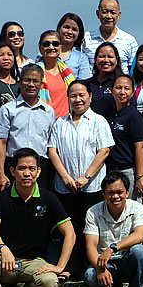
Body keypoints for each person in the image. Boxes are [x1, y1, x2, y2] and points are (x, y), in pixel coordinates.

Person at [0, 148, 76, 287]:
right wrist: (3, 248)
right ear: (12, 171)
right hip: (6, 263)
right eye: (21, 168)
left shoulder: (48, 198)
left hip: (34, 262)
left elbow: (70, 233)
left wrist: (60, 266)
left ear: (38, 172)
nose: (27, 173)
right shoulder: (0, 199)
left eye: (32, 169)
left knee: (50, 283)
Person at [48, 80, 114, 276]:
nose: (77, 99)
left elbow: (104, 151)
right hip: (65, 187)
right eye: (73, 96)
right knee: (69, 228)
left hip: (92, 187)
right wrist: (66, 177)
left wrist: (85, 177)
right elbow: (53, 151)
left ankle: (91, 267)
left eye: (81, 95)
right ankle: (69, 268)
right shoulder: (60, 123)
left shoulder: (98, 121)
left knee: (91, 229)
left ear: (90, 97)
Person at [83, 171, 143, 287]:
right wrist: (100, 269)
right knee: (90, 275)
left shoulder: (138, 208)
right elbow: (90, 246)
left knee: (139, 251)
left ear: (127, 192)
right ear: (104, 194)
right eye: (110, 192)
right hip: (107, 263)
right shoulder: (93, 212)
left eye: (120, 192)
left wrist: (112, 248)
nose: (115, 196)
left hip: (128, 259)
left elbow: (140, 235)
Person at [0, 64, 56, 191]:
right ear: (20, 82)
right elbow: (1, 142)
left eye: (35, 81)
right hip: (14, 166)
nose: (31, 84)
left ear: (41, 84)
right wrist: (0, 172)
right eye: (27, 80)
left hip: (40, 167)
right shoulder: (7, 109)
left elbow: (51, 145)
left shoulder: (49, 112)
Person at [106, 75, 143, 200]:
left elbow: (140, 148)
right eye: (118, 88)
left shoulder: (134, 116)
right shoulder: (110, 114)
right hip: (111, 171)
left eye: (126, 88)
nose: (122, 92)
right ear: (112, 91)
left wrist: (140, 177)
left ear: (133, 92)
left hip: (129, 171)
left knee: (131, 209)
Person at [81, 0, 138, 74]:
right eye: (104, 12)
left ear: (119, 15)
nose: (108, 16)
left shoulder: (129, 40)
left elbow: (134, 69)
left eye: (113, 12)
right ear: (98, 14)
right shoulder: (85, 39)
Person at [36, 30, 75, 118]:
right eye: (46, 44)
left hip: (65, 124)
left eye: (55, 44)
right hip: (43, 122)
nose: (51, 47)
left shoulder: (68, 73)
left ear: (60, 47)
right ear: (40, 48)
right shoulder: (35, 73)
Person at [85, 41, 122, 118]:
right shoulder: (87, 84)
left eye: (110, 57)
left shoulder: (122, 84)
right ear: (95, 59)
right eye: (101, 56)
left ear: (116, 60)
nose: (105, 60)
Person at [56, 13, 91, 79]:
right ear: (59, 29)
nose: (69, 32)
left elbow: (83, 83)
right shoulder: (46, 52)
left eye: (74, 29)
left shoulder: (81, 58)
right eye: (66, 27)